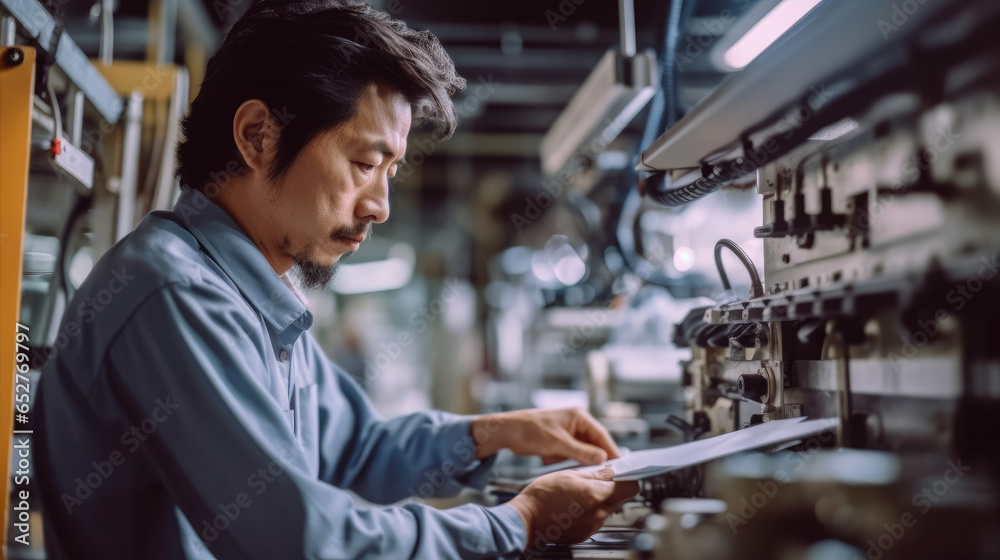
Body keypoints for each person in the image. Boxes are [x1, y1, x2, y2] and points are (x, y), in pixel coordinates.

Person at [34, 1, 638, 558]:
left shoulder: (257, 296)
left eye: (391, 172)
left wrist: (494, 433)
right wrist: (521, 521)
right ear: (257, 137)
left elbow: (354, 449)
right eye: (364, 164)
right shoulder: (175, 295)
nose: (381, 206)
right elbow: (302, 539)